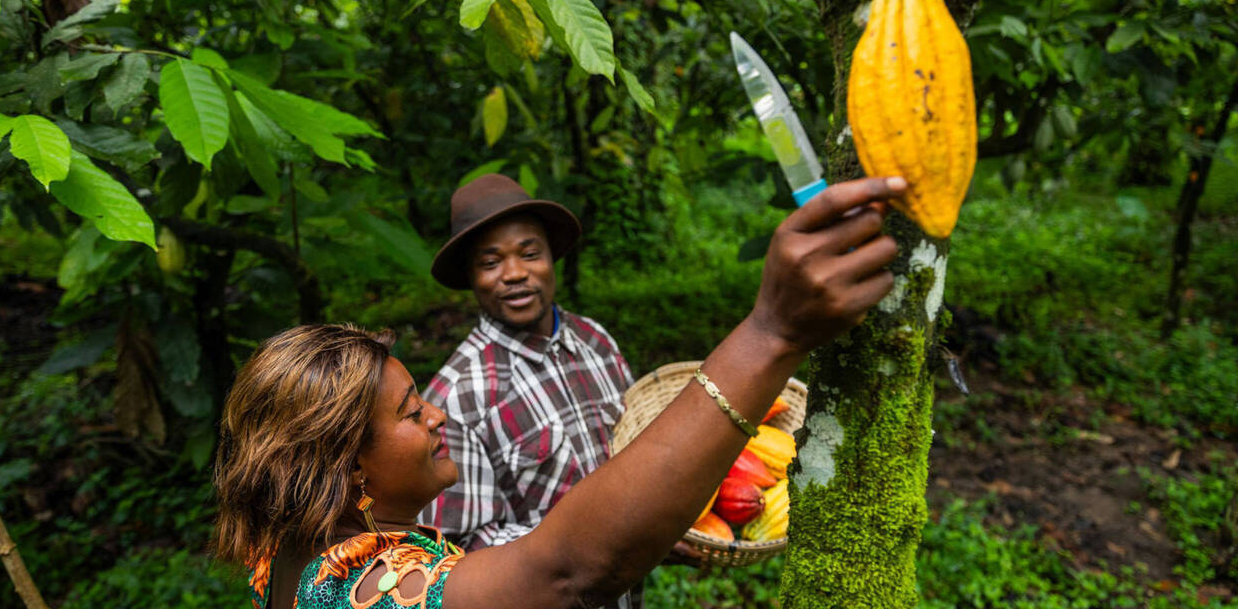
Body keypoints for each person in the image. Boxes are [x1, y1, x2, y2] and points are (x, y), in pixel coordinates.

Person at [214, 177, 907, 609]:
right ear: (345, 466)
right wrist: (772, 332)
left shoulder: (302, 550)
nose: (435, 413)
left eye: (529, 252)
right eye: (409, 411)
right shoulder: (357, 593)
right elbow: (562, 573)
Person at [417, 175, 636, 590]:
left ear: (551, 258)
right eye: (490, 262)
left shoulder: (595, 341)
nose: (515, 273)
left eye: (530, 254)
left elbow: (636, 444)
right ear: (471, 276)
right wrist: (591, 548)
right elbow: (461, 551)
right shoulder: (456, 397)